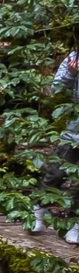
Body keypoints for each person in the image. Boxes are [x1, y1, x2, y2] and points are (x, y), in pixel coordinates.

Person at [51, 50, 79, 242]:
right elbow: (57, 89)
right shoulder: (74, 57)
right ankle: (37, 209)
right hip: (73, 131)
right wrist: (71, 74)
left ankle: (73, 225)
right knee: (56, 172)